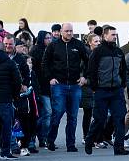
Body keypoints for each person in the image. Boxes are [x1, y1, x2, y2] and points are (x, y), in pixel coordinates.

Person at [43, 22, 89, 152]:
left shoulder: (78, 44)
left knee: (73, 117)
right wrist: (50, 78)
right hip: (59, 85)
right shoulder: (53, 45)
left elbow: (88, 62)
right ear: (61, 32)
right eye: (67, 31)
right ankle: (50, 140)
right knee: (57, 114)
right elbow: (45, 63)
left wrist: (84, 77)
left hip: (75, 85)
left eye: (71, 31)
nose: (69, 33)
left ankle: (71, 144)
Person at [84, 25, 128, 155]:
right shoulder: (98, 52)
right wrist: (94, 87)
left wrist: (122, 83)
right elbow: (91, 70)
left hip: (116, 90)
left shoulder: (118, 52)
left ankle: (119, 148)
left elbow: (123, 70)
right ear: (105, 35)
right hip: (101, 90)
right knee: (99, 119)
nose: (115, 36)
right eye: (112, 34)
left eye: (115, 34)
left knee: (119, 118)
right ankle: (89, 140)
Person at [30, 30, 53, 148]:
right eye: (47, 38)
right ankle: (34, 138)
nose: (49, 40)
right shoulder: (35, 51)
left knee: (47, 114)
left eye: (50, 38)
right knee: (42, 114)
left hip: (50, 87)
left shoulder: (51, 49)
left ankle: (43, 138)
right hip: (39, 88)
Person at [81, 33, 100, 146]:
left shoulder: (100, 54)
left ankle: (98, 138)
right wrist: (87, 81)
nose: (98, 43)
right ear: (90, 43)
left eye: (99, 41)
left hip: (99, 86)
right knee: (88, 112)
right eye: (95, 41)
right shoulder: (86, 55)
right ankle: (86, 136)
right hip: (87, 87)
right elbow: (83, 71)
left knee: (99, 113)